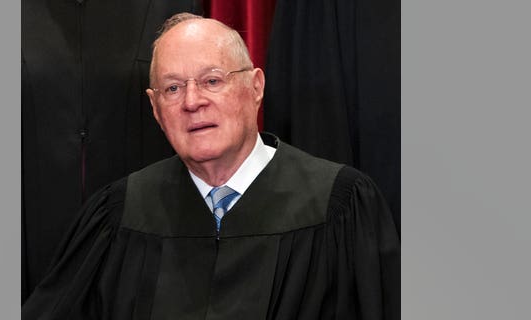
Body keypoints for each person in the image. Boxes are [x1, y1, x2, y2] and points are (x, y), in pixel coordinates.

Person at [22, 12, 399, 320]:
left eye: (212, 80)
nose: (192, 101)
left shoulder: (341, 206)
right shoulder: (118, 217)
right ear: (155, 109)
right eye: (172, 88)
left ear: (255, 87)